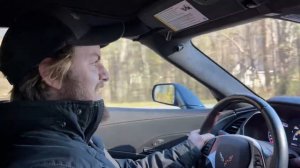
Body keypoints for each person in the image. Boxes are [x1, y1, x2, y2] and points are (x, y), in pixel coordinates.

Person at [0, 7, 214, 168]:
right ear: (51, 74)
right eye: (94, 62)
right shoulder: (57, 161)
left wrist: (190, 148)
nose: (105, 74)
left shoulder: (66, 138)